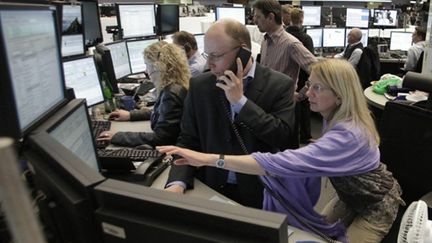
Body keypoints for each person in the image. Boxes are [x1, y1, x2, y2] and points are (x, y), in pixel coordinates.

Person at [159, 59, 404, 243]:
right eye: (310, 85)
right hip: (348, 195)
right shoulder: (338, 115)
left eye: (318, 88)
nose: (308, 93)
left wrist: (208, 159)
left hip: (376, 205)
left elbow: (281, 162)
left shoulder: (349, 135)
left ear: (339, 95)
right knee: (310, 233)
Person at [164, 19, 300, 209]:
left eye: (216, 56)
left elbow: (283, 138)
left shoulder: (279, 85)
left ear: (242, 52)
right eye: (207, 55)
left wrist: (241, 103)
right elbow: (188, 140)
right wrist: (177, 183)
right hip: (210, 188)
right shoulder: (200, 86)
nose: (209, 64)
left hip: (260, 193)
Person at [98, 41, 190, 148]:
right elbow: (164, 114)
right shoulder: (178, 84)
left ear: (157, 67)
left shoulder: (171, 93)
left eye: (147, 66)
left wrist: (117, 136)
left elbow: (161, 138)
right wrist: (131, 115)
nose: (146, 71)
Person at [253, 0, 317, 85]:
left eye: (258, 17)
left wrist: (303, 93)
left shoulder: (291, 44)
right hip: (265, 96)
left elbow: (320, 72)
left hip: (282, 98)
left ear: (270, 17)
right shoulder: (265, 41)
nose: (254, 21)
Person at [286, 8, 314, 144]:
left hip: (288, 80)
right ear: (302, 21)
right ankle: (305, 135)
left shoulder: (284, 37)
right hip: (303, 78)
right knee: (304, 107)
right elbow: (311, 64)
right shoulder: (306, 38)